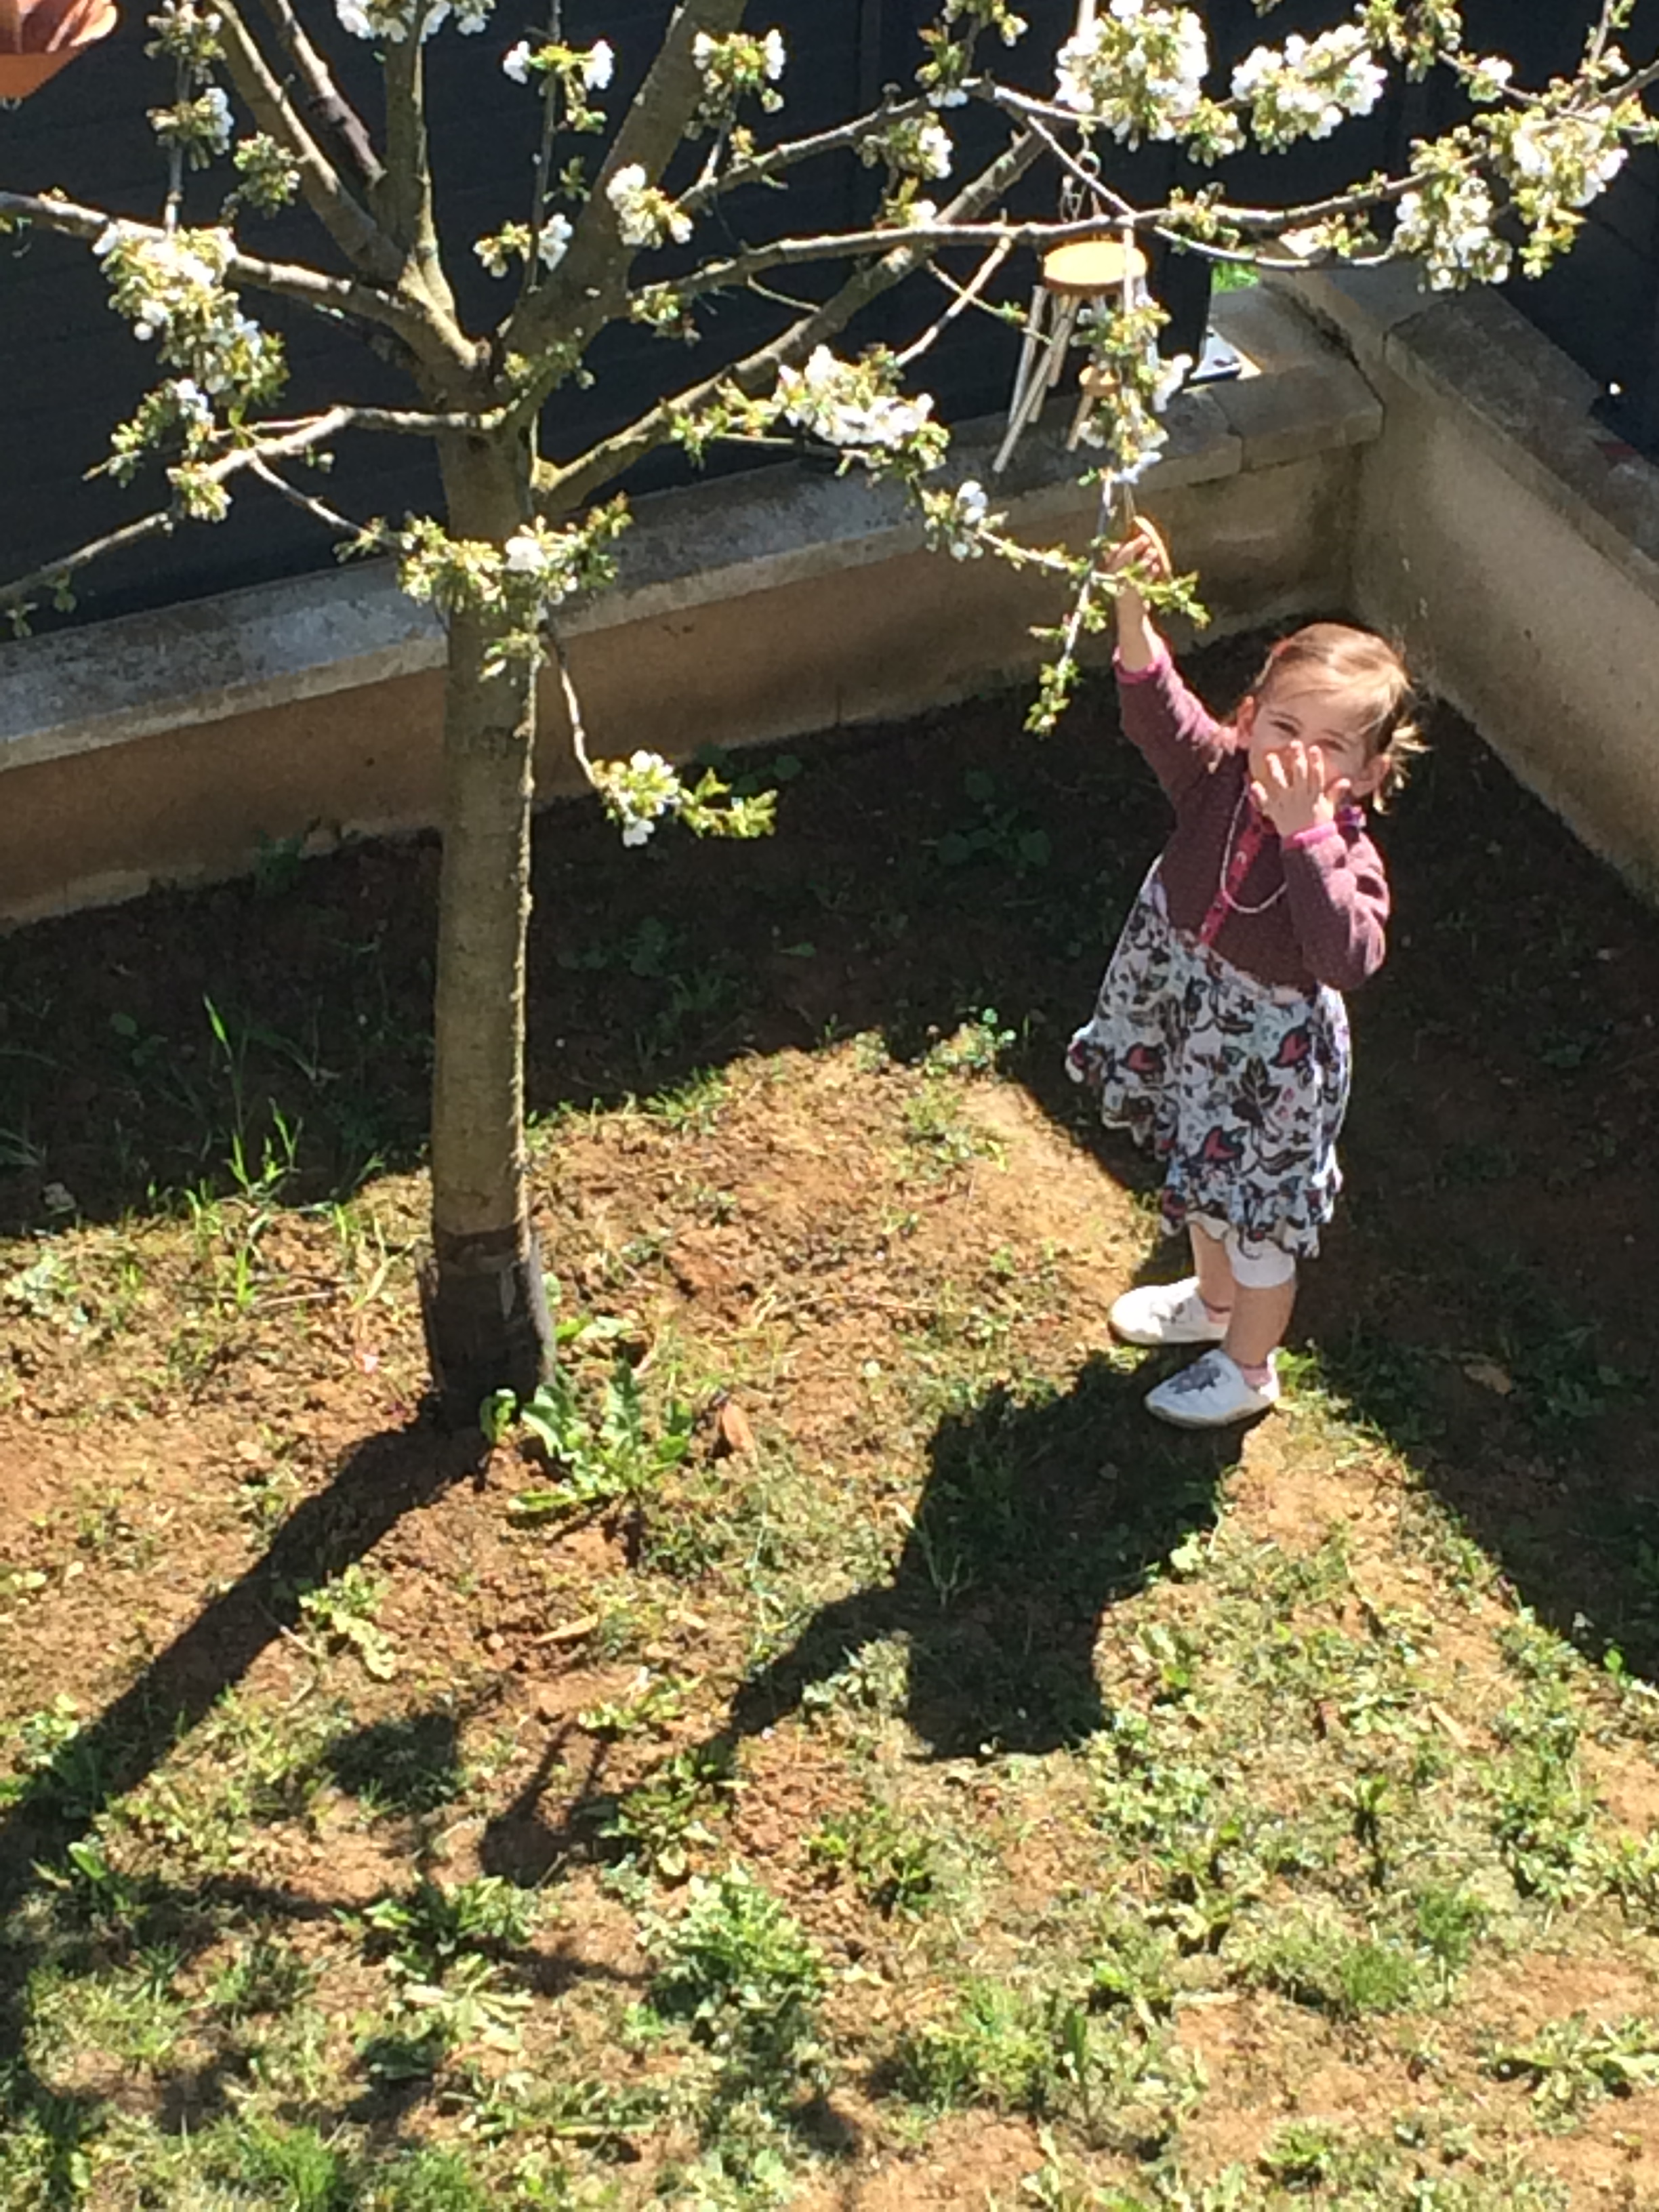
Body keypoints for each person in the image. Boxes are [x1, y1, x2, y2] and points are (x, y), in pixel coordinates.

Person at [1065, 520, 1419, 1429]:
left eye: (1331, 746)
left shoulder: (1347, 856)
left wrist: (1307, 839)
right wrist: (1133, 609)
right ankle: (1212, 1302)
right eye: (1285, 726)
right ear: (1251, 717)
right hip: (1190, 1015)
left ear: (1369, 773)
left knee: (1258, 1226)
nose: (1299, 755)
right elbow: (1155, 711)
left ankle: (1249, 1367)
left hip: (1268, 1064)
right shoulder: (1217, 777)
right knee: (1200, 1177)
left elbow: (1347, 956)